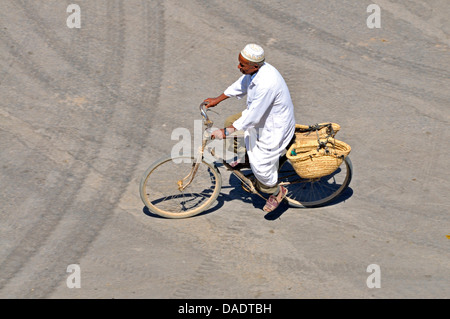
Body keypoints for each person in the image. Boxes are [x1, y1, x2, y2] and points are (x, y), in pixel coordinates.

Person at [203, 44, 296, 213]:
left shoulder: (267, 83)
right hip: (261, 116)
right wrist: (218, 99)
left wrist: (226, 132)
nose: (238, 67)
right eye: (239, 62)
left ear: (254, 65)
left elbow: (253, 116)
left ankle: (276, 192)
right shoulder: (255, 71)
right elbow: (242, 83)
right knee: (231, 121)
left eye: (242, 65)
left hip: (274, 127)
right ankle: (246, 157)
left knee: (261, 166)